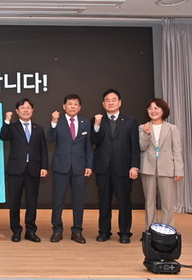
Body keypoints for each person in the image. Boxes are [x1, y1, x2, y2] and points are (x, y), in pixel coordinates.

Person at [91, 89, 140, 244]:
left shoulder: (130, 121)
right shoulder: (97, 120)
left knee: (124, 202)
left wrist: (134, 166)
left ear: (119, 102)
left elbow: (135, 146)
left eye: (113, 100)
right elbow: (95, 141)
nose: (110, 103)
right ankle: (104, 231)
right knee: (104, 201)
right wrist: (97, 125)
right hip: (103, 167)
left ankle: (125, 233)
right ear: (103, 103)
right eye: (107, 100)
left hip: (123, 168)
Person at [0, 98, 48, 242]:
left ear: (32, 110)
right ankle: (16, 231)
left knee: (32, 202)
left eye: (28, 108)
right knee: (14, 203)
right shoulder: (12, 127)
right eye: (22, 108)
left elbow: (43, 149)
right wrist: (7, 120)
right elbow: (3, 136)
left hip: (33, 170)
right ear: (17, 111)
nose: (26, 110)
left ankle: (31, 231)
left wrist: (44, 166)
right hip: (15, 170)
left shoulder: (38, 129)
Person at [47, 93, 93, 244]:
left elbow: (88, 146)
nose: (72, 106)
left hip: (79, 167)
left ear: (79, 107)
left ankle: (77, 231)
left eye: (75, 104)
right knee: (58, 200)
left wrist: (89, 165)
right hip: (61, 166)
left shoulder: (85, 123)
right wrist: (53, 122)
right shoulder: (58, 122)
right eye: (69, 104)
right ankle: (57, 230)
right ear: (64, 106)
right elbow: (50, 139)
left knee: (79, 201)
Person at [139, 98, 184, 229]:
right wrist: (146, 134)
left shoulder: (171, 128)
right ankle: (151, 230)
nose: (153, 111)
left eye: (156, 108)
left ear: (163, 110)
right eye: (150, 108)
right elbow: (142, 147)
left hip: (167, 168)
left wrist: (179, 170)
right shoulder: (143, 127)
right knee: (149, 202)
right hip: (148, 168)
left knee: (167, 203)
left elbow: (177, 150)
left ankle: (167, 231)